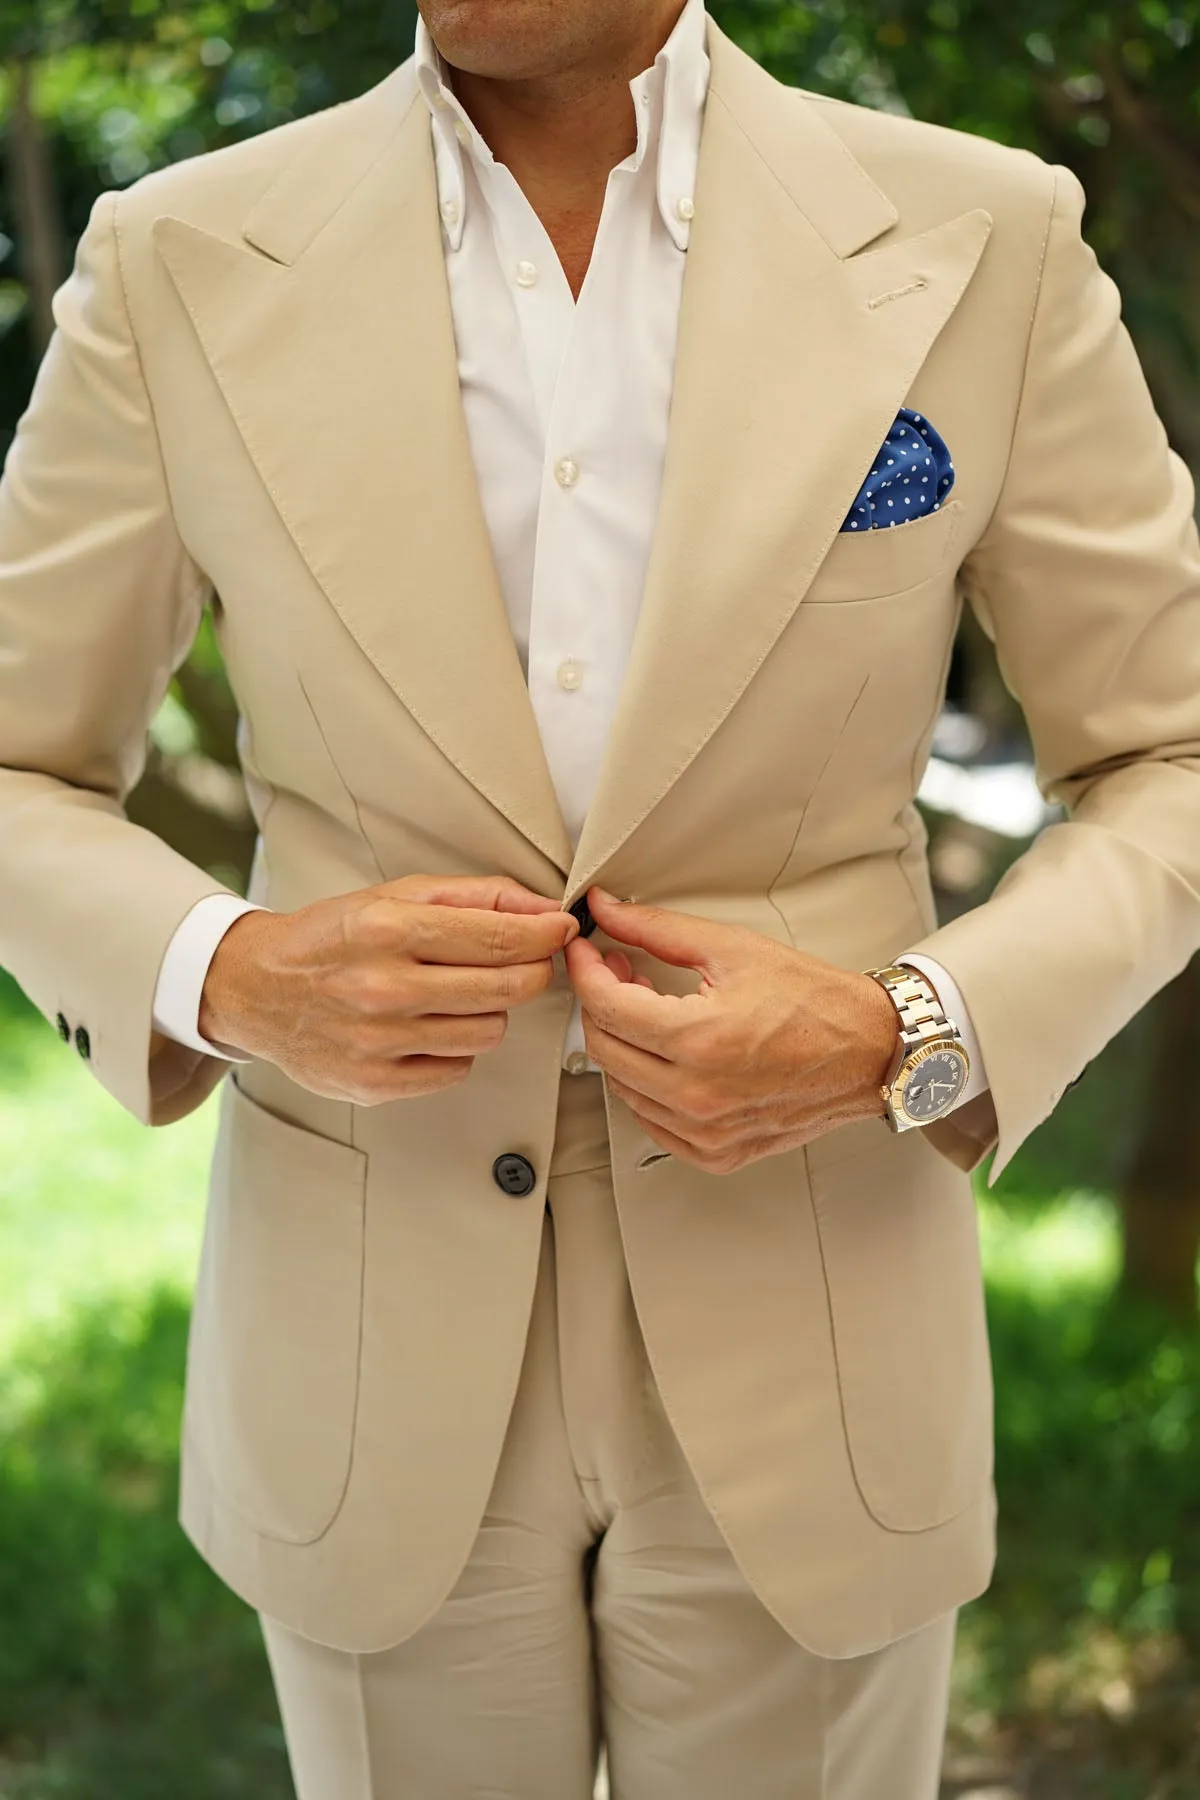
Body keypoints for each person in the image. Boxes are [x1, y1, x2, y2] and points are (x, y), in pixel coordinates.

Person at [1, 0, 1199, 1792]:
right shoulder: (177, 255)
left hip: (820, 1284)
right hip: (364, 1315)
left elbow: (1167, 753)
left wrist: (911, 1030)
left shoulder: (983, 236)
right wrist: (222, 972)